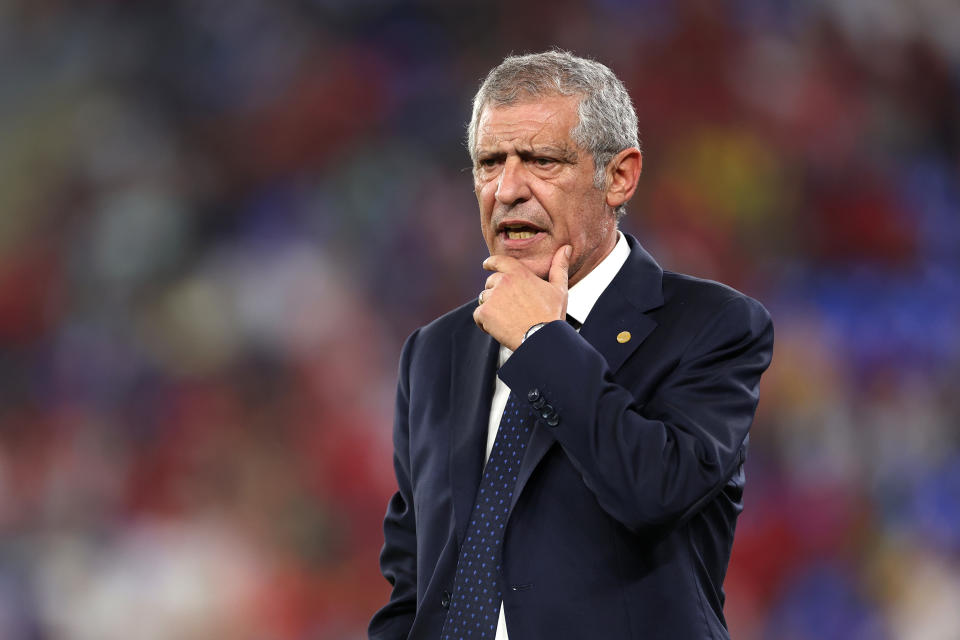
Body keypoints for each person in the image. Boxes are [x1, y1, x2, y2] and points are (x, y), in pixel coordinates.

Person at [369, 50, 774, 640]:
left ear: (619, 176)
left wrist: (542, 341)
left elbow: (653, 491)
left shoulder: (713, 325)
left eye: (540, 160)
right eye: (489, 163)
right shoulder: (435, 350)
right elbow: (412, 578)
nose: (507, 189)